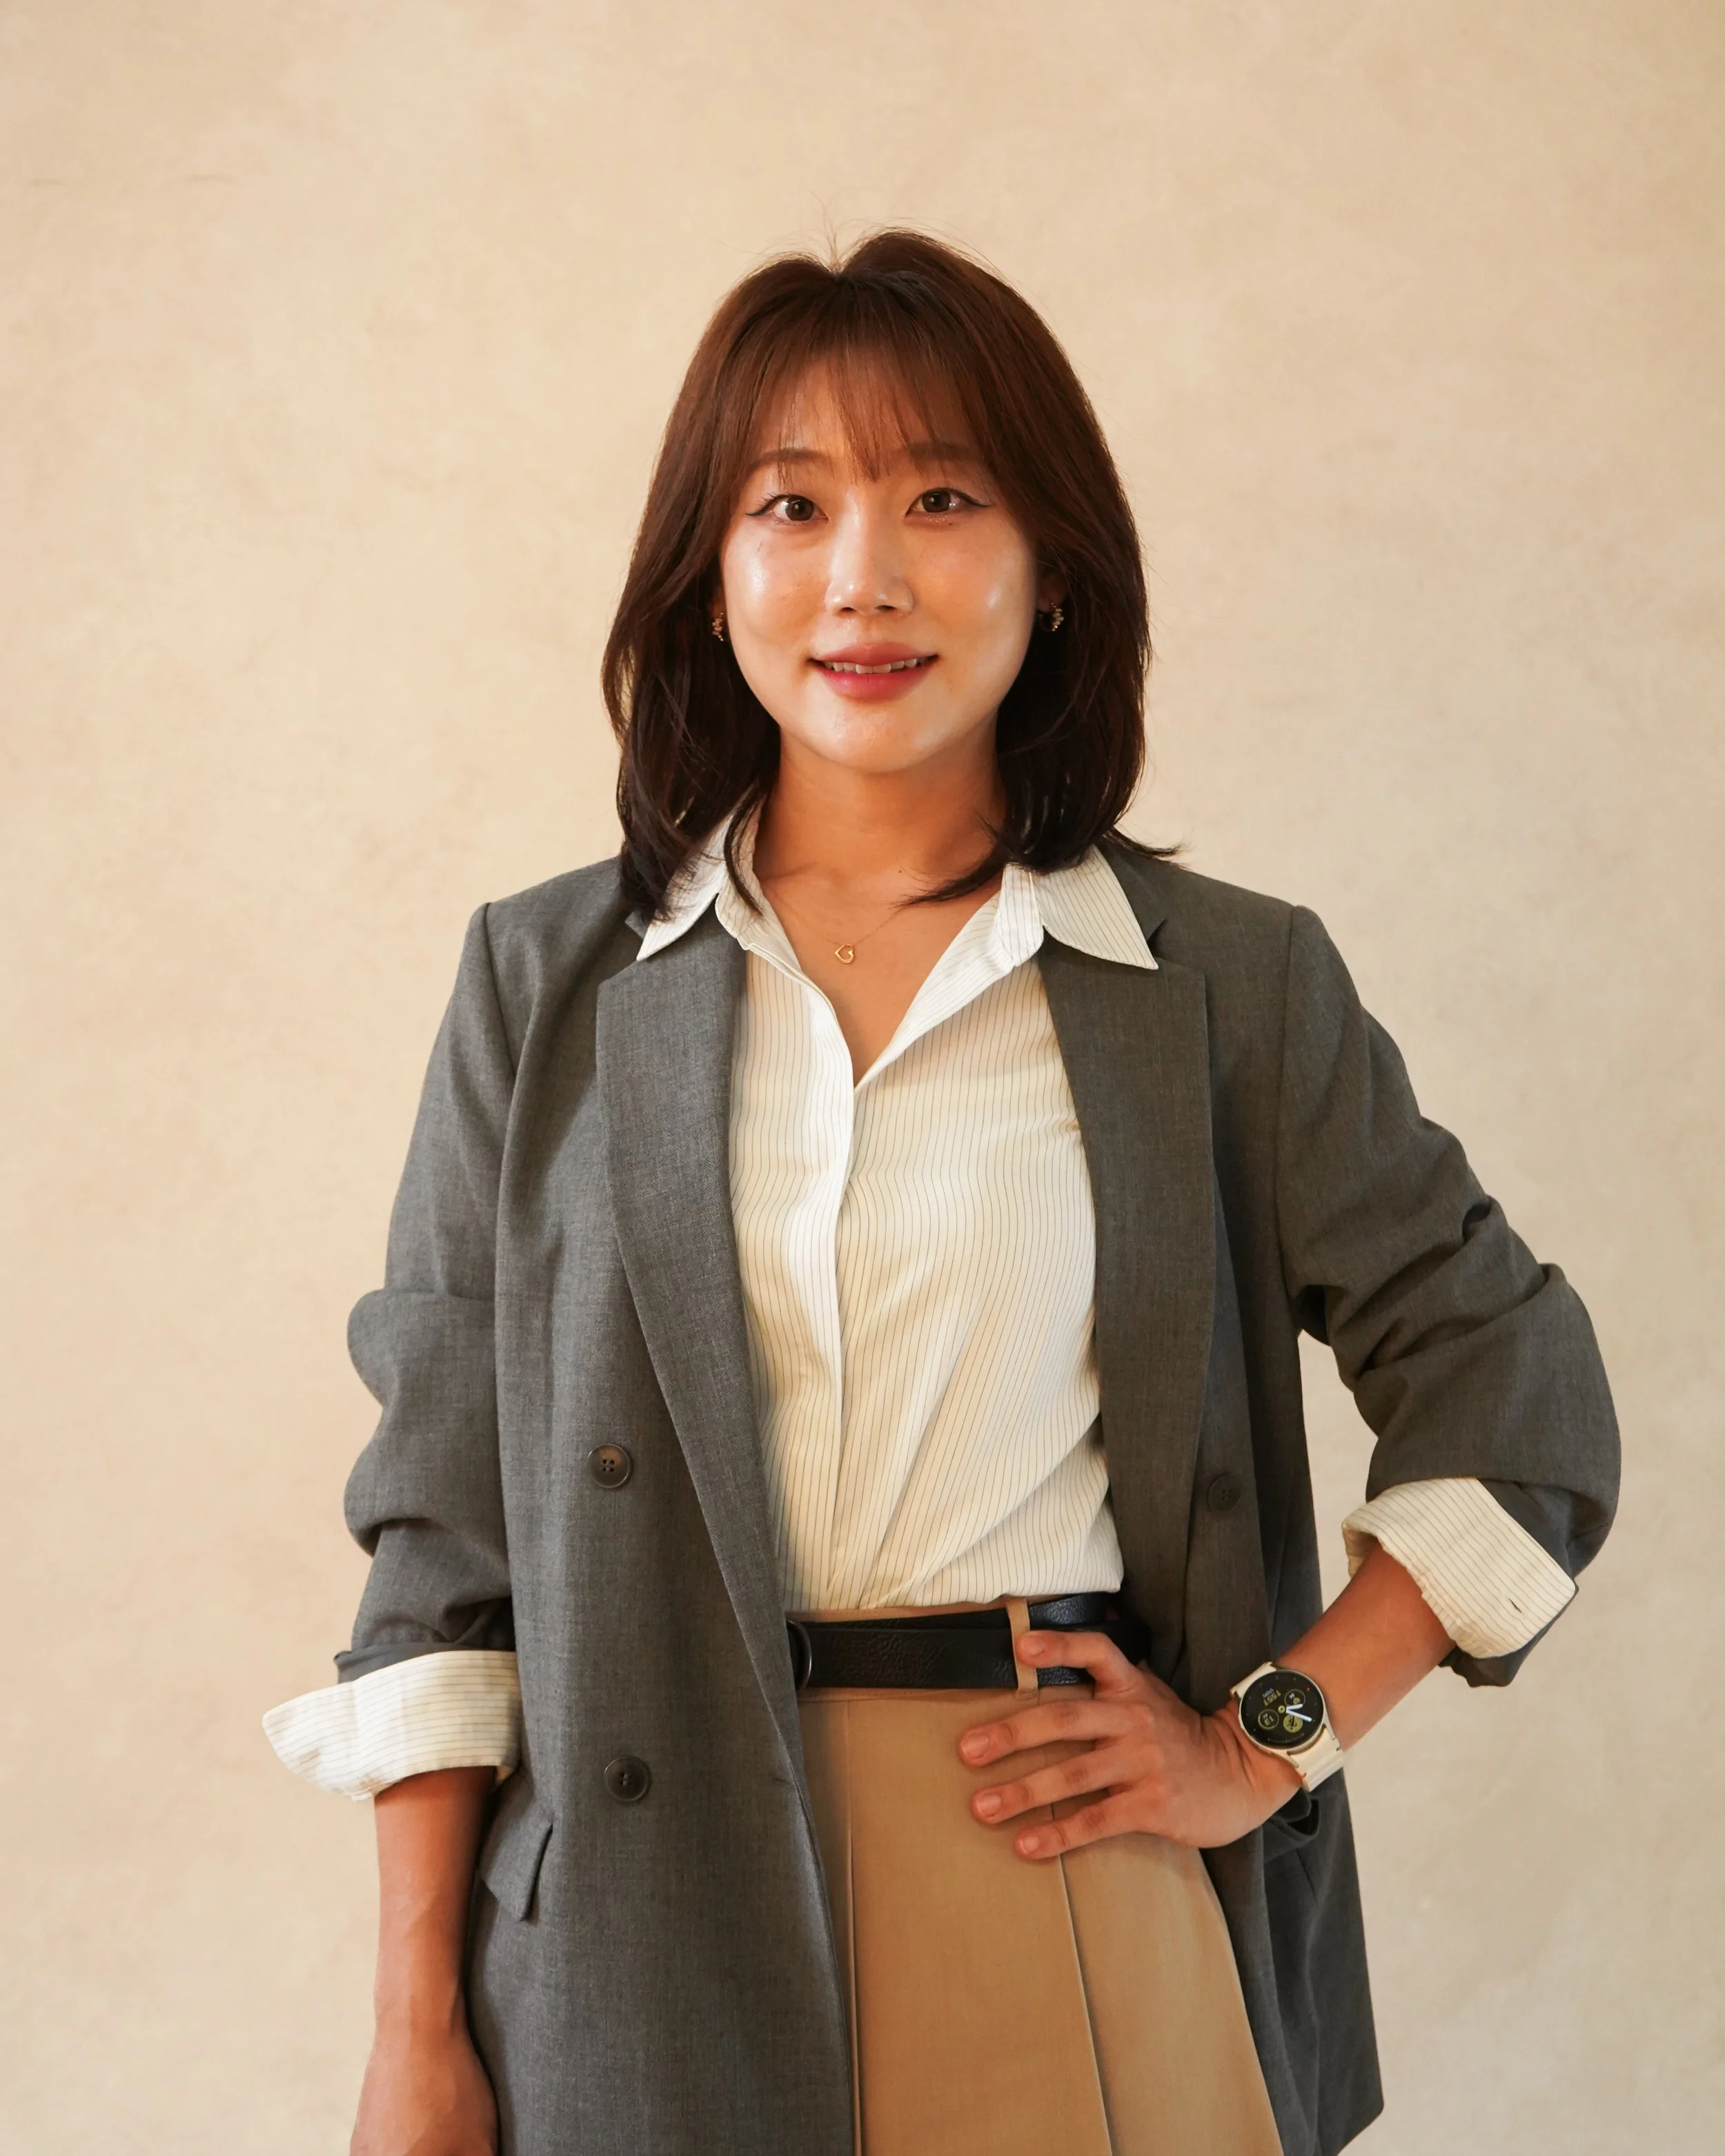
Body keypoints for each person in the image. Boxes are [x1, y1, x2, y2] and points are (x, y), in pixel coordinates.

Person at [264, 230, 1618, 2156]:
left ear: (1052, 563)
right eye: (790, 505)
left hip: (1055, 1860)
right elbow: (440, 1548)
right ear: (705, 574)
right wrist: (416, 2026)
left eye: (942, 496)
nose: (861, 577)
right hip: (635, 1938)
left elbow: (1518, 1386)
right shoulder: (541, 986)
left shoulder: (1221, 987)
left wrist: (1262, 1745)